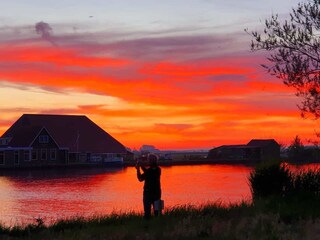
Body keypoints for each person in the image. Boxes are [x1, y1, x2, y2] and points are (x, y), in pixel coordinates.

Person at [136, 154, 162, 219]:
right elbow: (147, 171)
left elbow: (140, 178)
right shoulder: (158, 169)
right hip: (157, 192)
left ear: (151, 161)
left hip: (148, 193)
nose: (147, 161)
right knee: (158, 212)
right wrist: (141, 166)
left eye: (148, 160)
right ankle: (159, 224)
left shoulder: (149, 171)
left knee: (147, 213)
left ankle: (147, 226)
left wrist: (138, 169)